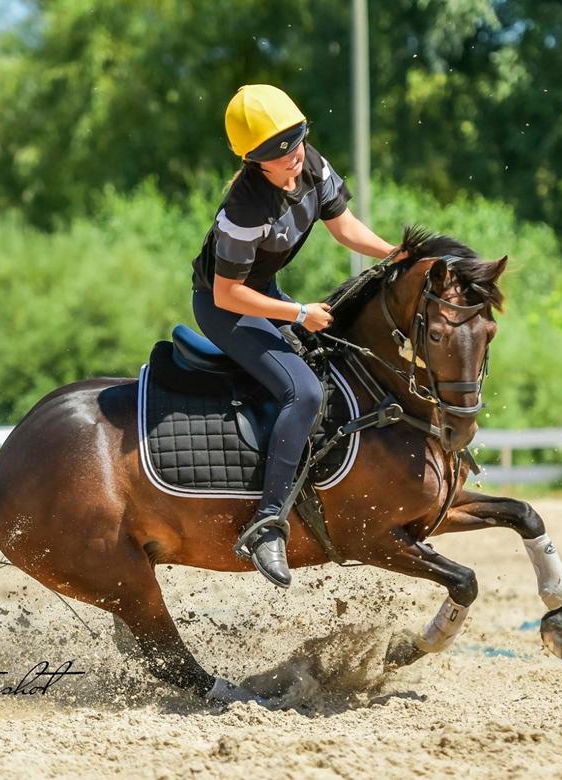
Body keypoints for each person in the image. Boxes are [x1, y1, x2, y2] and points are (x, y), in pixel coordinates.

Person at [190, 84, 406, 588]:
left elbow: (344, 225)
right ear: (254, 162)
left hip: (264, 291)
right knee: (303, 390)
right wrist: (299, 311)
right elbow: (228, 294)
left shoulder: (311, 165)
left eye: (297, 142)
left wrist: (393, 254)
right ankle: (266, 525)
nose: (293, 157)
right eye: (278, 153)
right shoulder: (242, 209)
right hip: (226, 306)